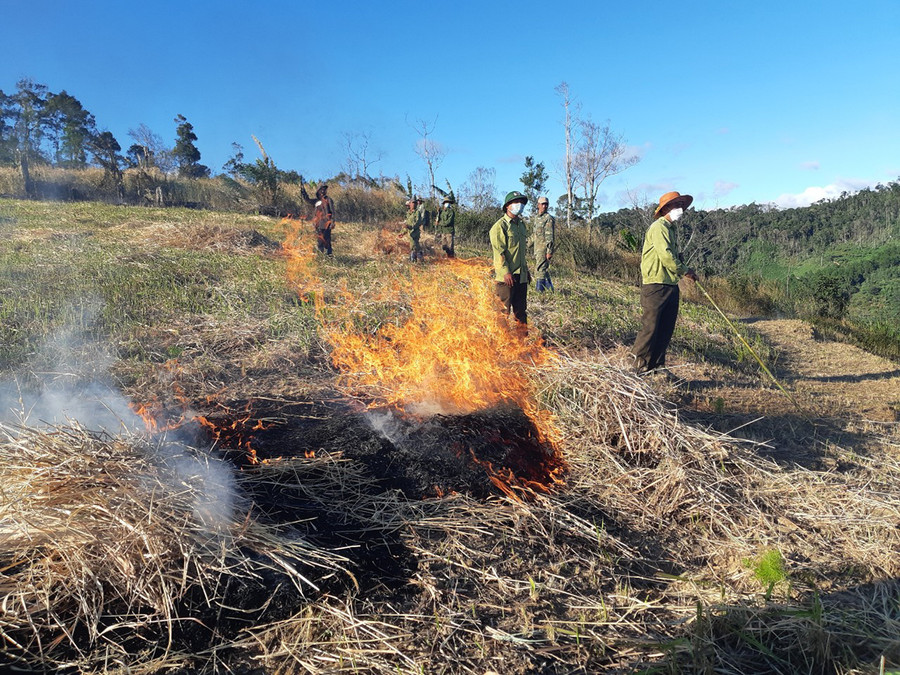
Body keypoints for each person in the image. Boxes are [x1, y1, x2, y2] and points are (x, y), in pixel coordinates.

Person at [632, 190, 698, 374]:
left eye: (681, 206)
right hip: (655, 284)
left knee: (665, 328)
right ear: (666, 208)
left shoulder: (671, 229)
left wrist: (684, 267)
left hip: (669, 283)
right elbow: (666, 256)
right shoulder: (659, 227)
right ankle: (638, 368)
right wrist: (686, 271)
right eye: (677, 205)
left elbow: (674, 256)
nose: (680, 209)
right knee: (651, 327)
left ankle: (657, 366)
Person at [490, 191, 531, 328]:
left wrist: (526, 271)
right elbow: (500, 252)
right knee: (503, 313)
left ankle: (521, 342)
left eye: (521, 202)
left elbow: (520, 252)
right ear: (507, 206)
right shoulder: (499, 227)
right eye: (515, 202)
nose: (519, 205)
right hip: (506, 278)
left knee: (520, 312)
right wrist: (506, 272)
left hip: (521, 276)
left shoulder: (521, 225)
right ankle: (503, 343)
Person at [301, 183, 335, 255]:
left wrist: (332, 221)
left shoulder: (328, 200)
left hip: (326, 224)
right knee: (320, 240)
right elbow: (307, 199)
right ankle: (320, 255)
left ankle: (329, 256)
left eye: (324, 190)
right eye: (321, 189)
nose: (323, 191)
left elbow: (332, 211)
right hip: (318, 224)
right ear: (318, 191)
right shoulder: (316, 201)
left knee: (327, 240)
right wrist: (303, 191)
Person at [531, 196, 555, 292]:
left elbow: (550, 236)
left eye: (546, 204)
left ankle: (539, 292)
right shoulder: (536, 218)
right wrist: (526, 244)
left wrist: (549, 251)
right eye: (542, 204)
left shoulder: (548, 218)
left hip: (543, 249)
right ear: (538, 205)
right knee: (541, 270)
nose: (544, 206)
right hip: (537, 248)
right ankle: (549, 289)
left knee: (540, 270)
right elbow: (534, 235)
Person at [406, 196, 426, 262]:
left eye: (415, 203)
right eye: (412, 203)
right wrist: (402, 232)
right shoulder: (409, 213)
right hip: (410, 233)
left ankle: (414, 260)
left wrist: (411, 227)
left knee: (414, 246)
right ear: (410, 204)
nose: (413, 204)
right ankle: (419, 259)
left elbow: (418, 222)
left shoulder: (417, 213)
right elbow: (407, 223)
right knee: (415, 246)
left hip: (415, 233)